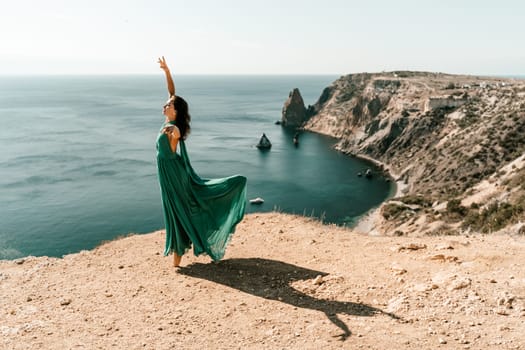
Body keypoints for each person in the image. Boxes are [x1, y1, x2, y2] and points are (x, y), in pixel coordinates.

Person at [156, 56, 247, 267]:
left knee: (179, 210)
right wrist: (167, 71)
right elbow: (172, 91)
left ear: (176, 112)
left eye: (168, 105)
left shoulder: (173, 130)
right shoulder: (168, 121)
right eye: (166, 103)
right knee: (174, 210)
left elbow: (177, 133)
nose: (165, 105)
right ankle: (178, 255)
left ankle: (180, 255)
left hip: (173, 177)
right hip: (168, 174)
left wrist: (177, 131)